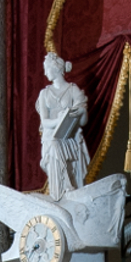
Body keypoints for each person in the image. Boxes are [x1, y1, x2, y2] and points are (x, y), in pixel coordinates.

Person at [37, 52, 90, 196]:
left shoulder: (72, 90)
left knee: (56, 144)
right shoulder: (44, 94)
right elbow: (45, 122)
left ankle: (69, 187)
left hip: (70, 137)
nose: (45, 72)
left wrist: (81, 111)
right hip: (51, 137)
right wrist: (59, 120)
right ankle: (65, 187)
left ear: (56, 68)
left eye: (47, 69)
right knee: (54, 145)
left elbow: (83, 121)